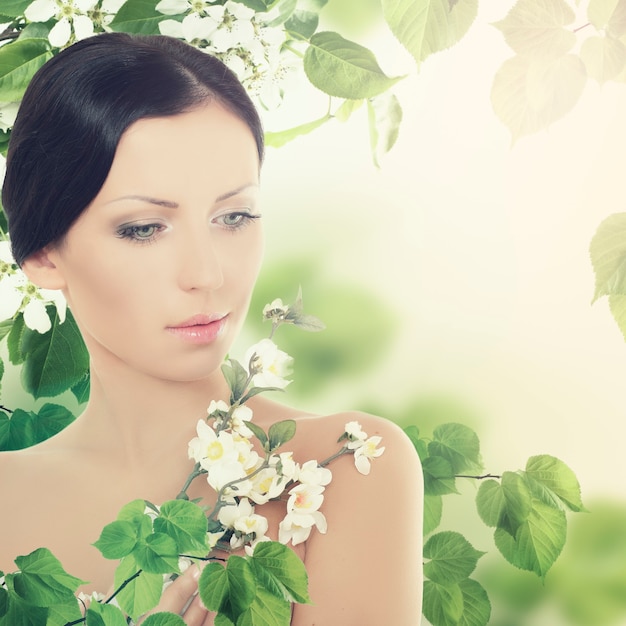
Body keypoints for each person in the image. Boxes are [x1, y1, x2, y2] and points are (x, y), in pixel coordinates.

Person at [0, 33, 423, 624]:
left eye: (235, 217)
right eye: (144, 228)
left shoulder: (343, 465)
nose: (207, 274)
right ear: (44, 253)